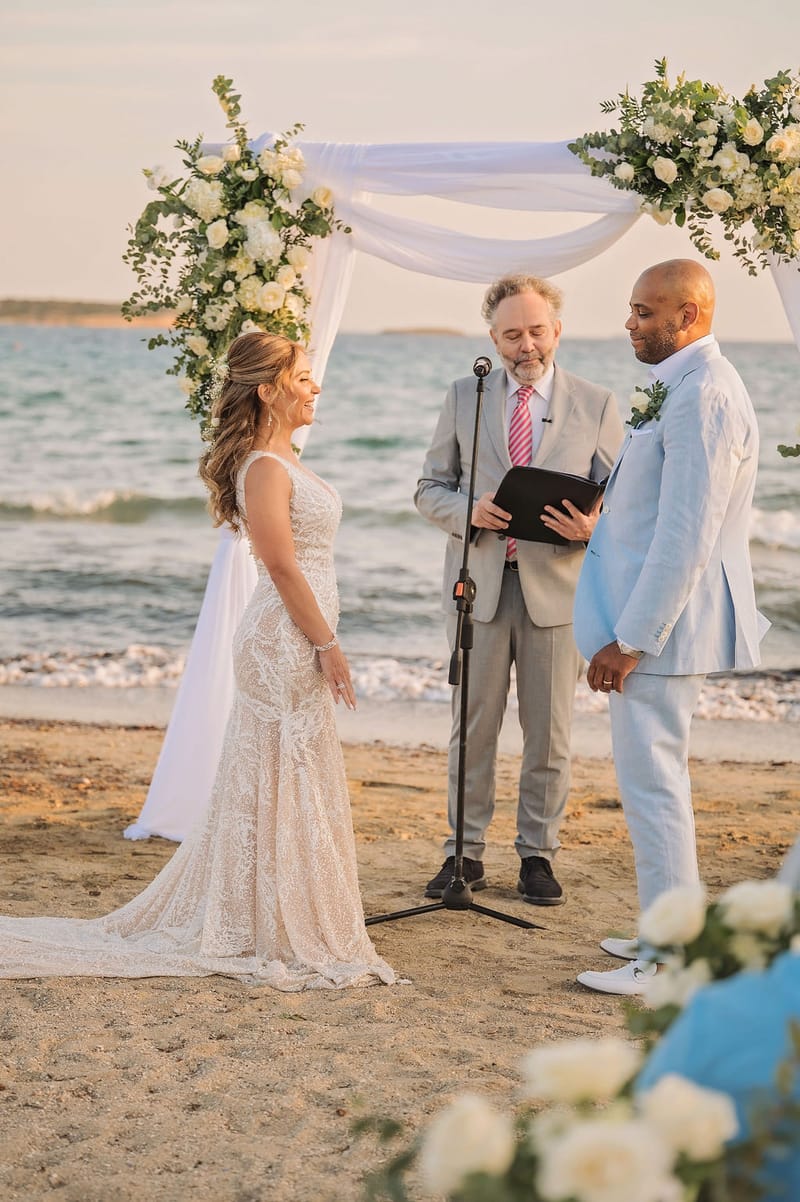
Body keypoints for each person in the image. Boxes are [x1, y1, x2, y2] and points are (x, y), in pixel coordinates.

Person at [0, 332, 396, 991]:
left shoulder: (283, 458)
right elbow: (280, 565)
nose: (315, 387)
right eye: (303, 376)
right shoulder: (265, 469)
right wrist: (328, 646)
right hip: (282, 643)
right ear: (268, 390)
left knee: (288, 773)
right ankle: (271, 920)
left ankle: (280, 911)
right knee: (278, 771)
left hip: (295, 637)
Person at [573, 259, 768, 996]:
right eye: (631, 310)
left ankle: (673, 959)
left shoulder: (705, 397)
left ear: (687, 317)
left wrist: (632, 639)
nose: (629, 323)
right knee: (655, 784)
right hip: (652, 624)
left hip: (663, 631)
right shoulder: (683, 388)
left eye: (643, 312)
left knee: (655, 788)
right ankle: (669, 928)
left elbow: (688, 532)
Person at [415, 274, 623, 906]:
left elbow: (622, 504)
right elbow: (428, 489)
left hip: (557, 594)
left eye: (536, 330)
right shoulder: (463, 396)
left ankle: (537, 854)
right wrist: (468, 511)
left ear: (556, 330)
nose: (525, 345)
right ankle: (464, 854)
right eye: (511, 334)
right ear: (493, 338)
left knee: (549, 733)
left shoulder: (598, 403)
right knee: (471, 730)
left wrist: (593, 527)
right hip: (476, 591)